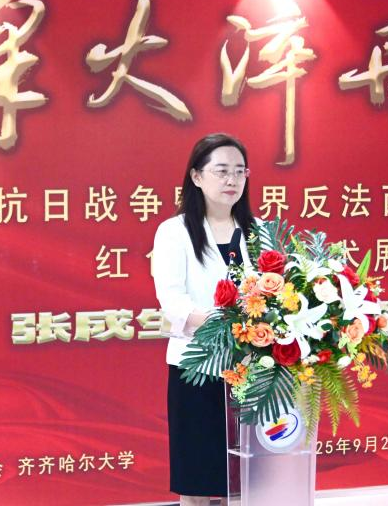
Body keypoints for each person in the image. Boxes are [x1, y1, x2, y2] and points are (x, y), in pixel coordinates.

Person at [152, 133, 255, 506]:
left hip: (252, 371)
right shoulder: (174, 232)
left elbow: (275, 294)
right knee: (197, 481)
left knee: (241, 481)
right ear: (196, 176)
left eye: (240, 171)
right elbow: (173, 304)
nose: (232, 180)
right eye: (222, 171)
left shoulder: (259, 232)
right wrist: (229, 325)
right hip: (197, 370)